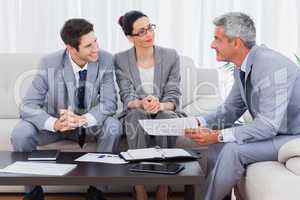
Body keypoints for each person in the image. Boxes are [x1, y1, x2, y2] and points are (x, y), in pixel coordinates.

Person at [185, 12, 300, 200]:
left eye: (217, 39)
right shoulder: (243, 66)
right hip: (278, 132)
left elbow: (267, 126)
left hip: (293, 136)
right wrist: (198, 122)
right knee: (218, 144)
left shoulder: (271, 65)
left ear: (236, 43)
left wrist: (217, 135)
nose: (212, 45)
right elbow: (231, 109)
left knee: (232, 149)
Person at [10, 18, 122, 200]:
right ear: (71, 48)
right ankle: (33, 191)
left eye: (95, 41)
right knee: (20, 133)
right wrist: (54, 123)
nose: (96, 49)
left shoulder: (106, 59)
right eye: (88, 46)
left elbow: (109, 103)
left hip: (89, 125)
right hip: (57, 125)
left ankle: (97, 190)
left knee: (113, 126)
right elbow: (28, 105)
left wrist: (83, 119)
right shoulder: (50, 62)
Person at [114, 10, 183, 200]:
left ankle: (164, 186)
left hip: (163, 109)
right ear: (130, 37)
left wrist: (159, 105)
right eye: (141, 31)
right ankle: (139, 187)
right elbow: (126, 95)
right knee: (136, 116)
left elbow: (173, 95)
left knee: (166, 118)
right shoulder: (120, 59)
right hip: (136, 111)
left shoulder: (170, 56)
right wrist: (141, 103)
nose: (149, 34)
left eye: (150, 28)